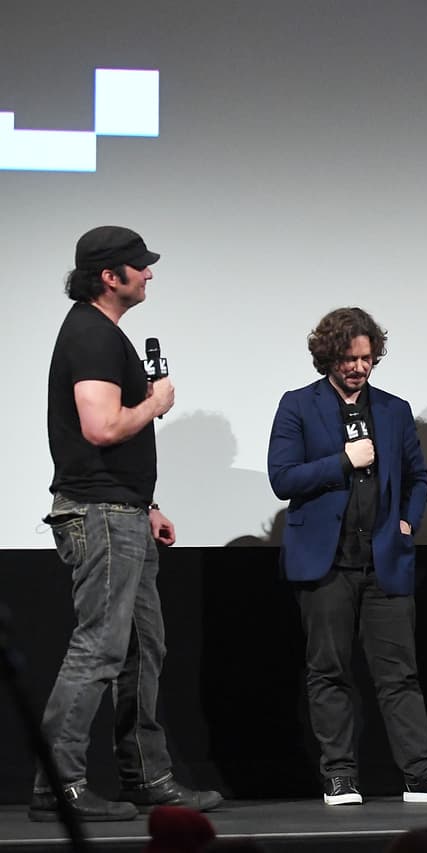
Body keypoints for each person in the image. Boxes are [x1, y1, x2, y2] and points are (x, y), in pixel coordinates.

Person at [32, 226, 223, 823]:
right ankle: (58, 786)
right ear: (108, 276)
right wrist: (156, 404)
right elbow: (101, 428)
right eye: (138, 267)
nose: (149, 274)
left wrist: (146, 506)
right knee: (97, 650)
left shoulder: (105, 335)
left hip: (124, 512)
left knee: (144, 647)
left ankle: (148, 776)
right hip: (101, 515)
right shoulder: (91, 335)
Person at [267, 307, 427, 805]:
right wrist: (343, 460)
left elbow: (419, 477)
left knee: (399, 674)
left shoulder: (393, 409)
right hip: (325, 562)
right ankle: (340, 776)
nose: (360, 367)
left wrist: (407, 521)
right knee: (329, 671)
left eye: (367, 358)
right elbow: (283, 478)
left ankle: (421, 774)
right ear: (328, 356)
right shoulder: (298, 406)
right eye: (349, 359)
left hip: (385, 559)